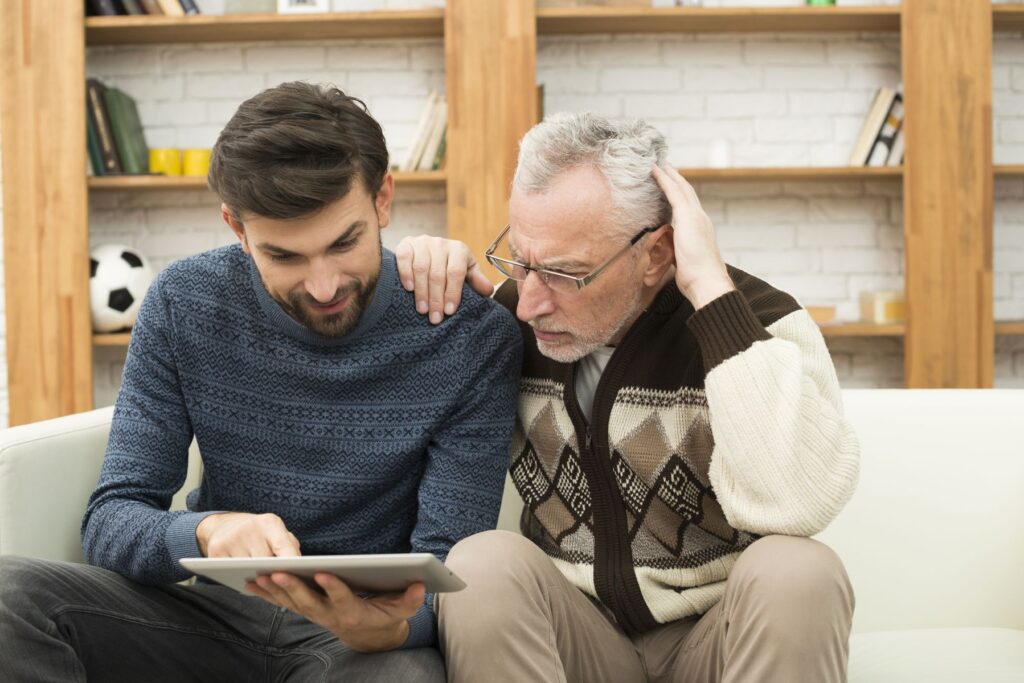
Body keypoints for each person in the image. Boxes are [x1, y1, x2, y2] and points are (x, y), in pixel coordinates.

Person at [0, 82, 521, 682]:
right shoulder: (184, 302)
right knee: (8, 595)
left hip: (360, 644)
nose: (323, 286)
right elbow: (112, 519)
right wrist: (203, 532)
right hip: (209, 617)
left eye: (344, 243)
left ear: (383, 199)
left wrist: (392, 626)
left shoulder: (468, 335)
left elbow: (453, 571)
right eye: (285, 256)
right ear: (237, 228)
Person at [395, 112, 860, 683]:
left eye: (566, 274)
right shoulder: (505, 328)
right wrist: (412, 270)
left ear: (657, 254)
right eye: (521, 261)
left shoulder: (762, 324)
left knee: (799, 570)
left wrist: (711, 294)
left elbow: (798, 507)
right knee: (480, 564)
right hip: (577, 638)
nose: (529, 303)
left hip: (720, 642)